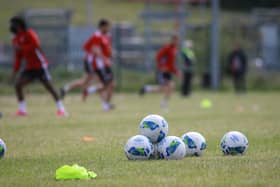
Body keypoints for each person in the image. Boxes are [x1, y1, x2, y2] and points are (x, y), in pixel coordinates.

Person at [10, 16, 67, 117]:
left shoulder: (29, 33)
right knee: (18, 85)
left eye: (13, 24)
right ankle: (22, 110)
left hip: (40, 65)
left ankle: (61, 109)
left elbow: (35, 45)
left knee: (49, 87)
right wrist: (15, 71)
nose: (11, 27)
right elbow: (18, 57)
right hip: (29, 68)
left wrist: (22, 48)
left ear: (19, 25)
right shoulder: (15, 40)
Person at [61, 19, 115, 111]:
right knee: (102, 83)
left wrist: (109, 56)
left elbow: (106, 48)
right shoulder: (97, 36)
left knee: (86, 82)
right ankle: (103, 103)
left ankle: (66, 88)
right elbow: (95, 49)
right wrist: (105, 59)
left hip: (98, 63)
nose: (109, 28)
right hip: (92, 62)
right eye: (107, 26)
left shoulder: (105, 36)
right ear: (102, 27)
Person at [139, 35, 180, 111]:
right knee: (167, 87)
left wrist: (176, 71)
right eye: (175, 40)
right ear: (172, 40)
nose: (176, 42)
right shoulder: (167, 48)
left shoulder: (174, 49)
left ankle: (147, 89)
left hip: (169, 72)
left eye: (177, 40)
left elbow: (171, 63)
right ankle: (163, 103)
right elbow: (158, 56)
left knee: (167, 87)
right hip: (163, 72)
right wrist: (161, 66)